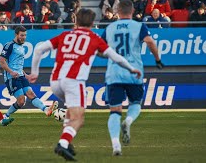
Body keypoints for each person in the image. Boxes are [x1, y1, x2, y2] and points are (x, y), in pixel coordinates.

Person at [28, 9, 141, 161]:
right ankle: (63, 143)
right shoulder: (93, 38)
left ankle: (67, 142)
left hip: (55, 81)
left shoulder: (65, 35)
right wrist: (131, 68)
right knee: (79, 119)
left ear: (76, 21)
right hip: (74, 81)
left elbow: (39, 49)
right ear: (92, 23)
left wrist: (34, 72)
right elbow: (116, 57)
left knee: (70, 112)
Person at [101, 0, 164, 156]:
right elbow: (150, 42)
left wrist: (109, 56)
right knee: (135, 103)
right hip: (134, 72)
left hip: (114, 73)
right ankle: (128, 121)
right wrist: (157, 59)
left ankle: (116, 145)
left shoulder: (110, 27)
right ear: (132, 10)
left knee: (114, 110)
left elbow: (99, 49)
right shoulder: (139, 26)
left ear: (118, 11)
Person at [0, 26, 58, 126]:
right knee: (21, 101)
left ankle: (46, 110)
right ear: (16, 34)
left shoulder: (21, 47)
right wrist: (11, 72)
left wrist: (26, 75)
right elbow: (1, 61)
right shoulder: (9, 46)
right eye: (22, 35)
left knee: (31, 94)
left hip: (20, 76)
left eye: (25, 35)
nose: (24, 37)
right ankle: (6, 116)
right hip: (11, 78)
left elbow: (18, 65)